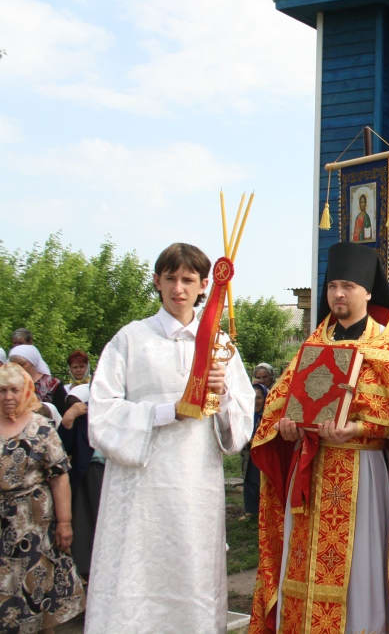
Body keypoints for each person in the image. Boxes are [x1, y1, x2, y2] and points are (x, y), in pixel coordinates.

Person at [86, 242, 255, 632]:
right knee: (135, 576)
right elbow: (102, 413)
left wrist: (222, 391)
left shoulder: (221, 344)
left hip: (194, 484)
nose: (179, 288)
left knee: (190, 572)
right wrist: (167, 412)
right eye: (171, 278)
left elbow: (240, 426)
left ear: (204, 285)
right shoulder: (131, 339)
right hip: (139, 487)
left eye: (188, 280)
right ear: (157, 281)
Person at [249, 242, 389, 633]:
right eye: (332, 286)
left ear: (368, 291)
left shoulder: (388, 349)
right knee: (301, 563)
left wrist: (359, 428)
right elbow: (279, 407)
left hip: (362, 474)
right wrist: (284, 428)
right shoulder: (312, 344)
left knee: (359, 567)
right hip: (310, 473)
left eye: (348, 287)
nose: (338, 294)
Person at [0, 363, 85, 631]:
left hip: (36, 526)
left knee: (39, 591)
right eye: (2, 391)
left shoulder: (42, 427)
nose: (8, 397)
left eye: (14, 390)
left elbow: (59, 477)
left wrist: (65, 523)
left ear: (25, 391)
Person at [59, 380, 105, 581]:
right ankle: (86, 569)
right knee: (86, 520)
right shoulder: (79, 418)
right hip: (88, 473)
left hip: (112, 470)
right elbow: (62, 447)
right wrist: (68, 420)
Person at [9, 344, 68, 420]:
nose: (17, 368)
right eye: (13, 365)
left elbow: (64, 415)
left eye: (22, 364)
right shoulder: (9, 386)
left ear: (33, 363)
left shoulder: (53, 385)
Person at [240, 381, 267, 519]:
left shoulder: (268, 416)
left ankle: (264, 511)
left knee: (262, 481)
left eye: (259, 398)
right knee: (249, 479)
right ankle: (250, 510)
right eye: (252, 397)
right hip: (248, 453)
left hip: (264, 454)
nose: (255, 401)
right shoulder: (246, 415)